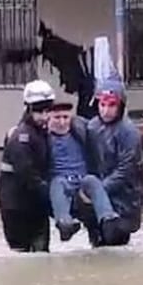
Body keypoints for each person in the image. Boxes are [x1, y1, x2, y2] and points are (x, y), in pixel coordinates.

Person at [75, 75, 143, 247]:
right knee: (97, 244)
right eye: (102, 105)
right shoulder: (92, 127)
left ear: (120, 106)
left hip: (124, 201)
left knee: (115, 243)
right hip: (97, 199)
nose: (106, 110)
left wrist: (98, 190)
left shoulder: (129, 132)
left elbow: (125, 170)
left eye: (111, 105)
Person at [45, 101, 120, 242]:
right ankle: (64, 222)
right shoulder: (43, 139)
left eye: (65, 117)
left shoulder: (81, 132)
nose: (62, 123)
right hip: (60, 182)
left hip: (82, 181)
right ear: (49, 118)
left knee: (93, 181)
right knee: (58, 184)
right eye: (57, 118)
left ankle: (108, 218)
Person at [0, 80, 55, 252]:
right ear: (28, 109)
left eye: (47, 110)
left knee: (41, 255)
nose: (44, 116)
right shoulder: (20, 136)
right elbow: (28, 174)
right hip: (16, 208)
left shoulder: (42, 134)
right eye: (39, 111)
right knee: (22, 254)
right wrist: (53, 198)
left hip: (35, 206)